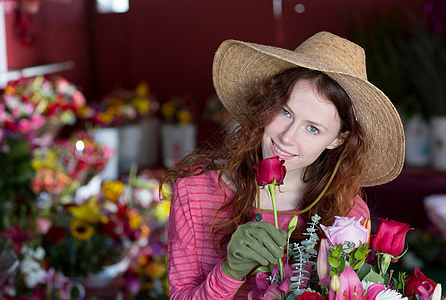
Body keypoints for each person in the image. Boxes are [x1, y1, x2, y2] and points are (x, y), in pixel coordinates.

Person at [161, 31, 405, 299]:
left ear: (337, 139)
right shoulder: (195, 193)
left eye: (312, 128)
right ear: (268, 104)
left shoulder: (347, 214)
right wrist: (229, 272)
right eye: (285, 112)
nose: (287, 137)